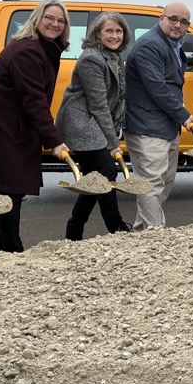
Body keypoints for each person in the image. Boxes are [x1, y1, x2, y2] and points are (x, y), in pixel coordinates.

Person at [0, 0, 71, 254]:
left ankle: (0, 249)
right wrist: (54, 140)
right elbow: (34, 100)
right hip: (2, 128)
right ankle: (11, 251)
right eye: (49, 17)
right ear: (37, 18)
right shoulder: (28, 51)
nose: (54, 23)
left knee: (11, 190)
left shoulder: (41, 48)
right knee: (11, 191)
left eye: (60, 20)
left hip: (12, 125)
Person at [55, 12, 133, 239]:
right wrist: (113, 143)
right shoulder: (92, 58)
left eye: (118, 31)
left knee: (94, 177)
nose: (114, 35)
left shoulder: (113, 57)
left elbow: (116, 99)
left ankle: (74, 230)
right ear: (97, 34)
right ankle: (115, 226)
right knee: (107, 172)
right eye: (108, 30)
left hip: (94, 122)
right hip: (81, 122)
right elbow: (99, 105)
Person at [124, 2, 193, 229]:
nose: (178, 25)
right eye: (173, 19)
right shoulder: (149, 45)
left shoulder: (172, 45)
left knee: (163, 183)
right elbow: (158, 88)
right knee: (151, 185)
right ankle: (156, 235)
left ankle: (142, 232)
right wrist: (184, 115)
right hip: (147, 128)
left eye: (184, 22)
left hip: (165, 127)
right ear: (161, 18)